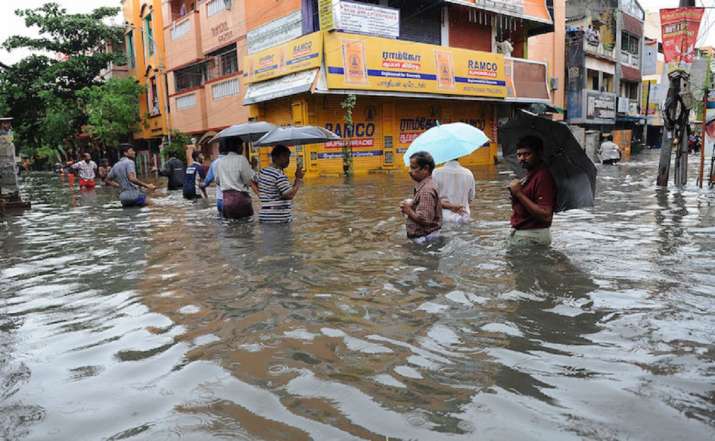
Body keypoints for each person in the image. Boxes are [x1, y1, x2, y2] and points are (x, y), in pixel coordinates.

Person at [508, 136, 557, 246]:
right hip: (524, 235)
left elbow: (546, 215)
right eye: (519, 155)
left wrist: (519, 194)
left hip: (532, 236)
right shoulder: (529, 176)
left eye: (527, 154)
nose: (522, 158)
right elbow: (523, 210)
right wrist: (515, 196)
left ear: (539, 154)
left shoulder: (543, 177)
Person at [400, 151, 442, 244]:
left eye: (414, 168)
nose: (409, 171)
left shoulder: (426, 190)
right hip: (429, 237)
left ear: (426, 168)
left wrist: (408, 210)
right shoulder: (428, 184)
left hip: (424, 239)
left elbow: (424, 219)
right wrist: (413, 203)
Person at [255, 144, 303, 223]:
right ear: (274, 157)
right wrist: (298, 179)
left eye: (288, 157)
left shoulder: (262, 171)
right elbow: (289, 195)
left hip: (264, 216)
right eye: (284, 156)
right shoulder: (278, 175)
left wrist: (260, 194)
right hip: (278, 219)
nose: (287, 160)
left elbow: (251, 181)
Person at [216, 138, 255, 219]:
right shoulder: (241, 159)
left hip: (226, 202)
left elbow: (217, 181)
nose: (243, 149)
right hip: (241, 200)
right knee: (246, 228)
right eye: (242, 146)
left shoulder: (220, 161)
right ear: (238, 147)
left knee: (230, 229)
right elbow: (248, 181)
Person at [432, 159, 476, 224]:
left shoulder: (436, 172)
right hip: (463, 217)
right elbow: (470, 198)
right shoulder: (468, 173)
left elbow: (432, 198)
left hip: (443, 217)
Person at [200, 141, 227, 213]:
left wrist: (201, 186)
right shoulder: (235, 161)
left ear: (219, 150)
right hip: (233, 200)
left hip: (220, 200)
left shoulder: (214, 163)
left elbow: (206, 181)